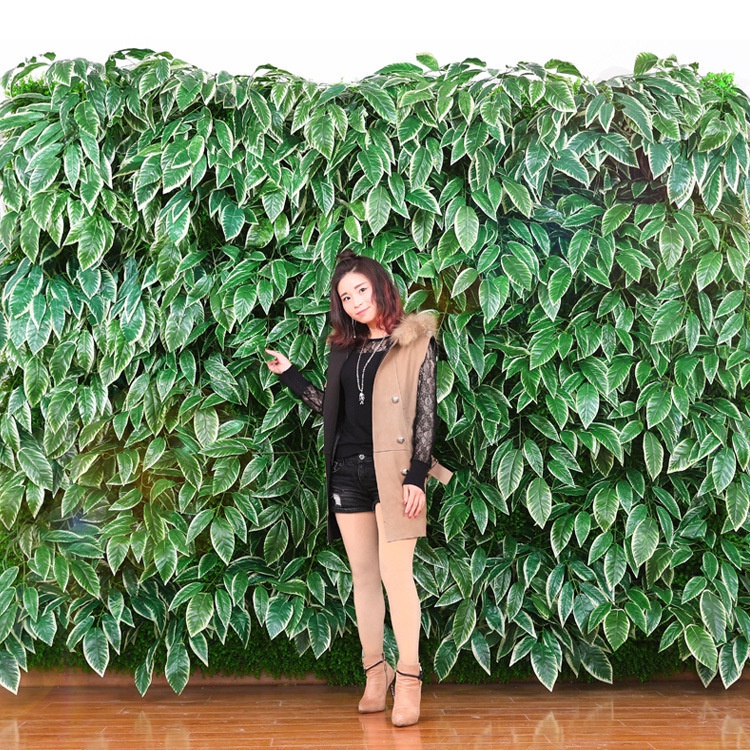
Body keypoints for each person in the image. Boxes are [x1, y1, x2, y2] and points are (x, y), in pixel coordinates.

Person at [265, 250, 452, 727]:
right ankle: (375, 672)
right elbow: (332, 409)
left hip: (396, 475)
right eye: (345, 297)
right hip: (347, 472)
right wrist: (291, 375)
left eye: (360, 291)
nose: (354, 302)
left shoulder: (417, 341)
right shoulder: (344, 349)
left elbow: (425, 414)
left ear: (380, 287)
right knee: (364, 577)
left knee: (397, 576)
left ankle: (408, 678)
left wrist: (417, 476)